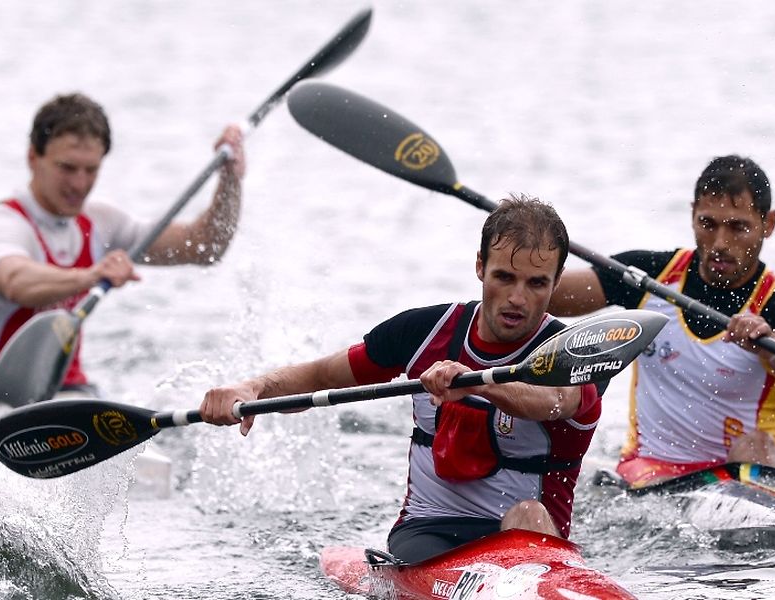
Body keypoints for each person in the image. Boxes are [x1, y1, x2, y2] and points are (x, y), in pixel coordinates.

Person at [200, 195, 602, 564]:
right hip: (428, 534)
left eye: (536, 283)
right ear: (480, 266)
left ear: (557, 280)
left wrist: (477, 382)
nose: (518, 298)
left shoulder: (573, 356)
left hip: (528, 542)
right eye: (504, 277)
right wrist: (252, 388)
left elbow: (556, 401)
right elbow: (322, 376)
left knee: (529, 513)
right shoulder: (425, 332)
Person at [548, 155, 775, 488]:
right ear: (693, 214)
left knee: (756, 445)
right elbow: (541, 295)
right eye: (708, 224)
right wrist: (512, 259)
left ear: (769, 223)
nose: (720, 244)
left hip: (745, 472)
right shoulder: (649, 276)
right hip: (649, 471)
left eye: (738, 227)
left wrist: (770, 344)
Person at [0, 92, 246, 401]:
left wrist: (230, 181)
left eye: (91, 170)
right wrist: (90, 276)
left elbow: (204, 247)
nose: (79, 184)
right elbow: (14, 281)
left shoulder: (101, 221)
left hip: (72, 394)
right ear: (32, 158)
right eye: (67, 168)